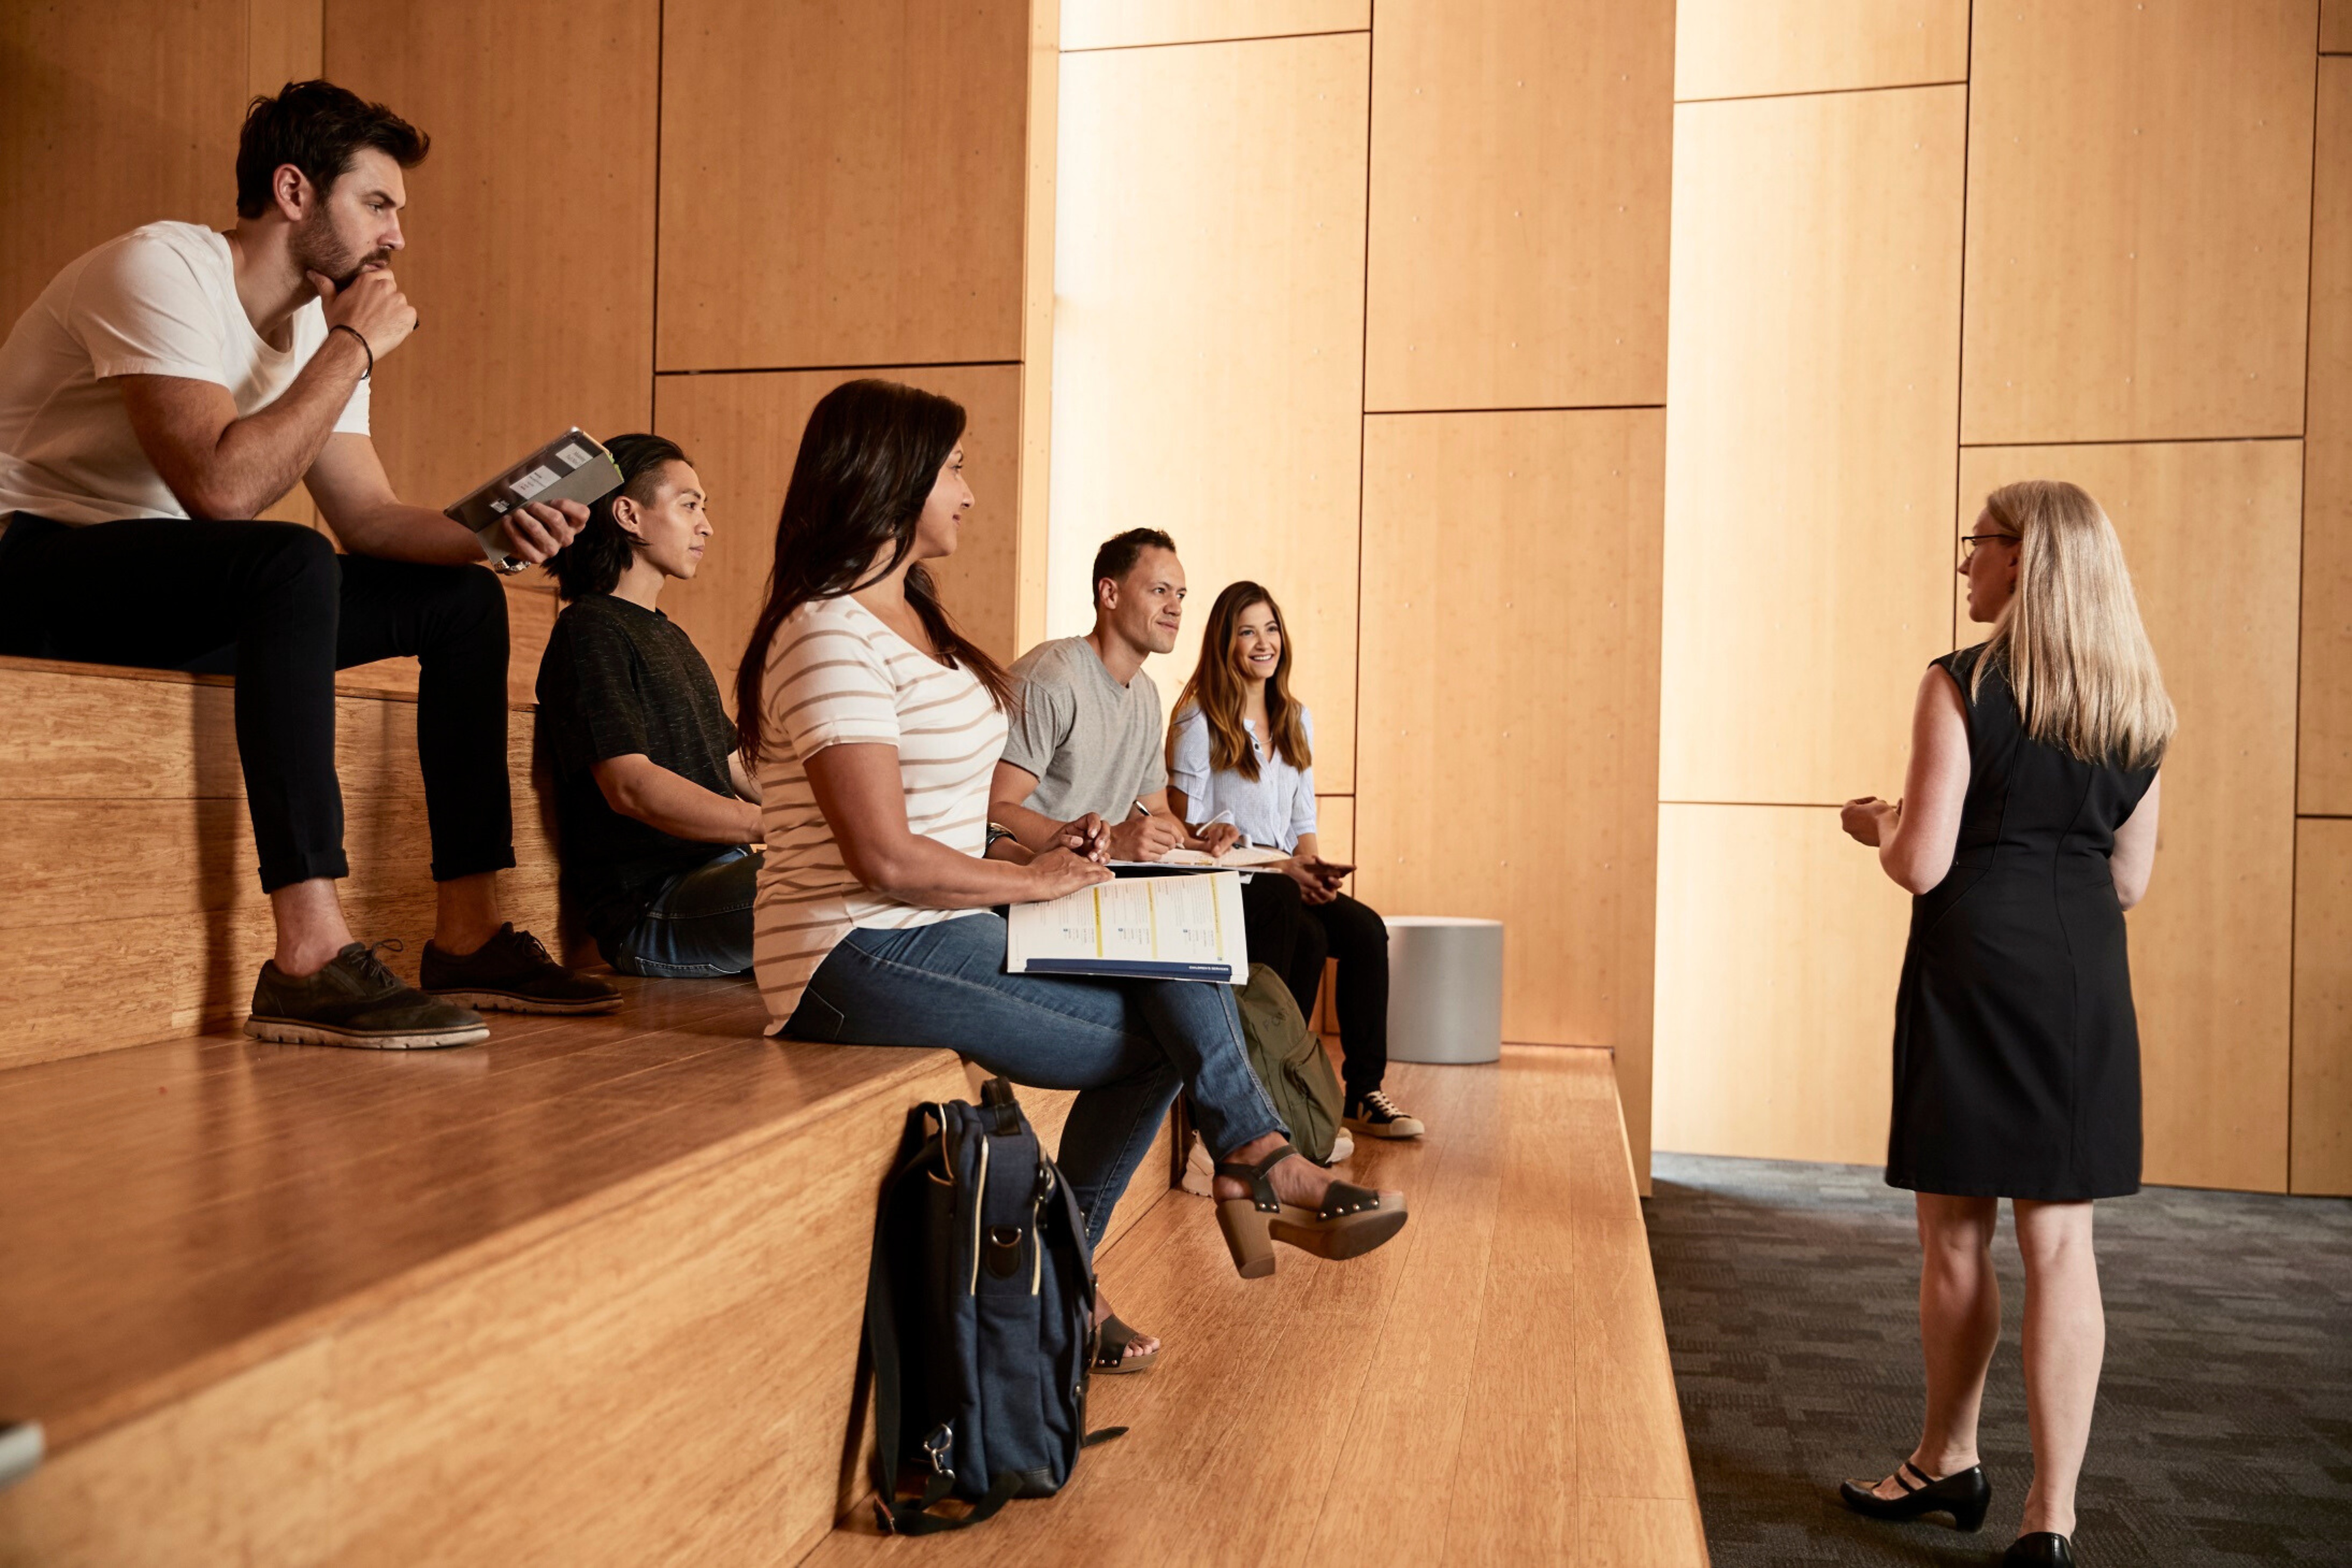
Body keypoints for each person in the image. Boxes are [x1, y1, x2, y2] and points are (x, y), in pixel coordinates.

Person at [737, 380, 1408, 1370]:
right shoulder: (826, 631)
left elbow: (955, 819)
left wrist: (1051, 860)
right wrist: (1039, 878)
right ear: (889, 476)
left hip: (937, 920)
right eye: (954, 468)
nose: (969, 491)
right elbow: (879, 855)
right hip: (850, 949)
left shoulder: (912, 621)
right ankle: (1216, 1183)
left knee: (1179, 963)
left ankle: (1207, 1186)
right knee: (1157, 1035)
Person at [0, 80, 616, 1047]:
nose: (398, 236)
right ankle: (310, 956)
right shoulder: (160, 269)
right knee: (290, 563)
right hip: (38, 566)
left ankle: (467, 934)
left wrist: (497, 530)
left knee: (460, 602)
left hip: (177, 587)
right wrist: (356, 346)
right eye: (378, 204)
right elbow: (223, 490)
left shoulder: (316, 334)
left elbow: (367, 515)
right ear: (294, 192)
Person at [1834, 481, 2171, 1568]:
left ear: (2025, 561)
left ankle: (1946, 1456)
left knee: (1956, 1234)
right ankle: (2051, 1518)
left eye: (1976, 545)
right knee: (2063, 1242)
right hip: (2081, 983)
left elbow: (1920, 861)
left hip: (1972, 968)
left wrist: (1876, 822)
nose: (1964, 563)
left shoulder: (1960, 684)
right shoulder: (2136, 705)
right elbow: (2126, 882)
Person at [1167, 581, 1423, 1141]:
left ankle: (1361, 1093)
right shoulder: (1197, 721)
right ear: (1224, 644)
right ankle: (1278, 1089)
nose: (1264, 642)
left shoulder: (1295, 718)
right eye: (1247, 631)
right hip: (1232, 882)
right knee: (1304, 936)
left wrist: (1315, 872)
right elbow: (1179, 831)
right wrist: (1273, 868)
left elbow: (1303, 820)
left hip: (1288, 877)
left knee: (1363, 930)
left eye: (1271, 628)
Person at [535, 434, 762, 977]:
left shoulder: (670, 637)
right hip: (655, 912)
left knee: (894, 862)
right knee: (855, 875)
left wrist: (833, 816)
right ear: (628, 515)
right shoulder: (589, 630)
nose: (706, 525)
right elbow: (631, 786)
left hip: (720, 882)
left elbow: (734, 767)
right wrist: (772, 827)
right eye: (690, 506)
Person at [983, 527, 1243, 866]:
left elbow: (1158, 809)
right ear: (1110, 594)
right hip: (1033, 881)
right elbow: (993, 811)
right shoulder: (1052, 678)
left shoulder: (1146, 694)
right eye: (1160, 591)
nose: (1176, 608)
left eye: (1181, 595)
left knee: (1269, 896)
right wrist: (1110, 842)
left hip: (1101, 877)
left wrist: (1200, 844)